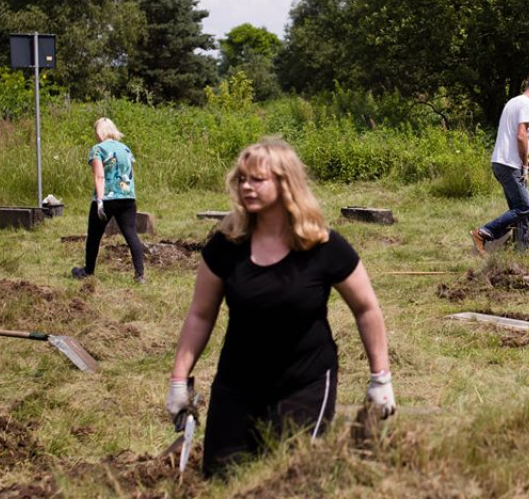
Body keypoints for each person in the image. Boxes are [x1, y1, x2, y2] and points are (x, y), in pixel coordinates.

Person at [165, 138, 396, 478]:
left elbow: (366, 309)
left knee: (290, 479)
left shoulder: (323, 245)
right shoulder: (226, 245)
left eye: (257, 179)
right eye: (242, 179)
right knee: (222, 479)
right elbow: (200, 315)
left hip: (306, 383)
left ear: (285, 183)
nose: (246, 186)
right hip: (237, 382)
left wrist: (381, 379)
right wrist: (178, 379)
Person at [471, 76, 529, 254]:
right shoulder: (527, 103)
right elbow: (520, 135)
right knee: (524, 208)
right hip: (510, 165)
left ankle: (521, 253)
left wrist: (525, 160)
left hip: (502, 161)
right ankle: (484, 232)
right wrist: (524, 165)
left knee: (519, 211)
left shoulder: (513, 102)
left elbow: (510, 135)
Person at [72, 117, 145, 283]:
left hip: (107, 198)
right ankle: (140, 274)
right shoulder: (125, 149)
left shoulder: (98, 149)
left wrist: (99, 200)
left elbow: (99, 176)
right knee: (131, 234)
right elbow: (130, 173)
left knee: (94, 236)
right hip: (127, 197)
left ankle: (88, 271)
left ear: (99, 132)